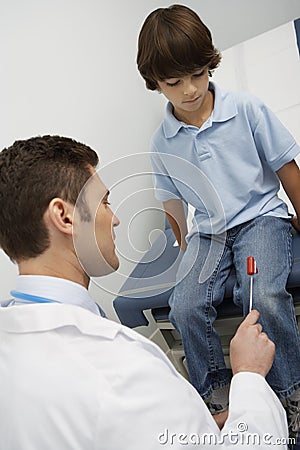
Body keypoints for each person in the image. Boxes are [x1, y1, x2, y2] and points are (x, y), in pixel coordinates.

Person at [0, 135, 289, 449]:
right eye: (105, 202)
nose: (116, 219)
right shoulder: (121, 370)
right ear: (65, 217)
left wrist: (199, 423)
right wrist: (249, 375)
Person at [136, 3, 300, 439]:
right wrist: (188, 255)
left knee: (262, 293)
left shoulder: (246, 109)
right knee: (185, 305)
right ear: (155, 84)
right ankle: (216, 396)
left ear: (211, 64)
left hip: (260, 218)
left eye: (198, 74)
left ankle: (291, 394)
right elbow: (172, 205)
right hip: (208, 233)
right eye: (174, 82)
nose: (189, 89)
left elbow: (287, 169)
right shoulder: (161, 142)